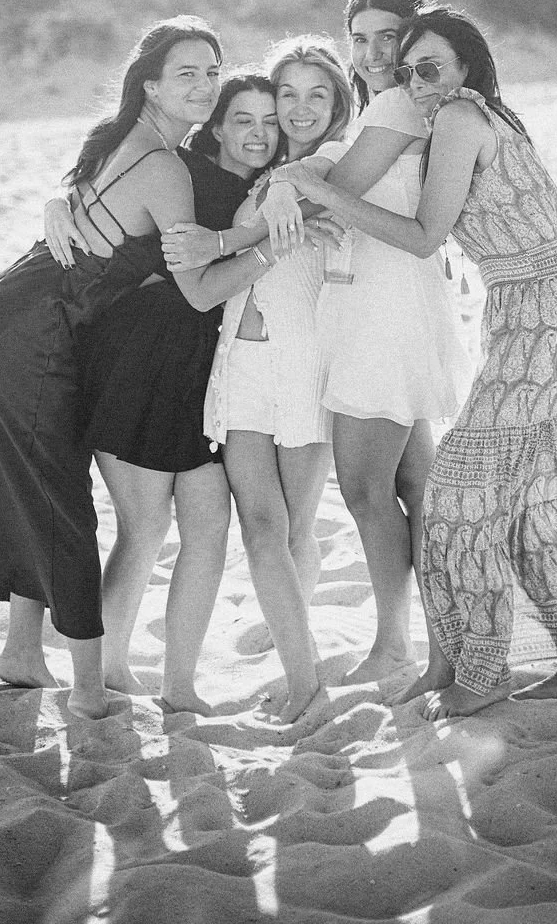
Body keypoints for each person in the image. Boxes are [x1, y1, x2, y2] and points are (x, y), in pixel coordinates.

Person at [283, 5, 557, 720]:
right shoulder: (493, 115)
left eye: (430, 69)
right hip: (545, 311)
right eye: (407, 73)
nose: (418, 85)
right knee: (537, 494)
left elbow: (426, 236)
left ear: (465, 68)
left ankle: (482, 673)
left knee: (461, 495)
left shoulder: (458, 118)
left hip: (540, 324)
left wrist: (325, 192)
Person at [0, 19, 285, 719]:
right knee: (60, 497)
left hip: (14, 312)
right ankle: (89, 688)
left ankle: (23, 654)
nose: (205, 86)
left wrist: (258, 226)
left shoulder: (135, 142)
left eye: (213, 72)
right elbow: (200, 285)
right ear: (148, 83)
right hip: (33, 329)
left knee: (39, 486)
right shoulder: (164, 165)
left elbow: (127, 222)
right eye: (187, 74)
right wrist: (278, 242)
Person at [42, 72, 280, 713]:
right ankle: (104, 670)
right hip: (138, 363)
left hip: (204, 373)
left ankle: (180, 688)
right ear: (217, 126)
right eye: (242, 120)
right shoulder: (183, 172)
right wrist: (58, 201)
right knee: (143, 528)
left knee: (208, 532)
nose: (257, 134)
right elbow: (187, 277)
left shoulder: (275, 189)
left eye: (269, 121)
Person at [270, 0, 473, 685]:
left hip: (383, 313)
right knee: (416, 486)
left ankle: (393, 645)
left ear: (414, 40)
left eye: (389, 36)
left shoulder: (396, 103)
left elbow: (338, 184)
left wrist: (294, 178)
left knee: (363, 488)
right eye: (359, 39)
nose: (372, 51)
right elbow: (329, 172)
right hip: (387, 307)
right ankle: (443, 640)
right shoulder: (388, 105)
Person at [198, 36, 353, 724]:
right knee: (262, 528)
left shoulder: (336, 165)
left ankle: (300, 672)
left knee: (295, 528)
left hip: (304, 367)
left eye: (316, 93)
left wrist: (288, 190)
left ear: (339, 102)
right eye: (286, 93)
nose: (297, 107)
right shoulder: (262, 172)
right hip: (240, 365)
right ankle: (303, 675)